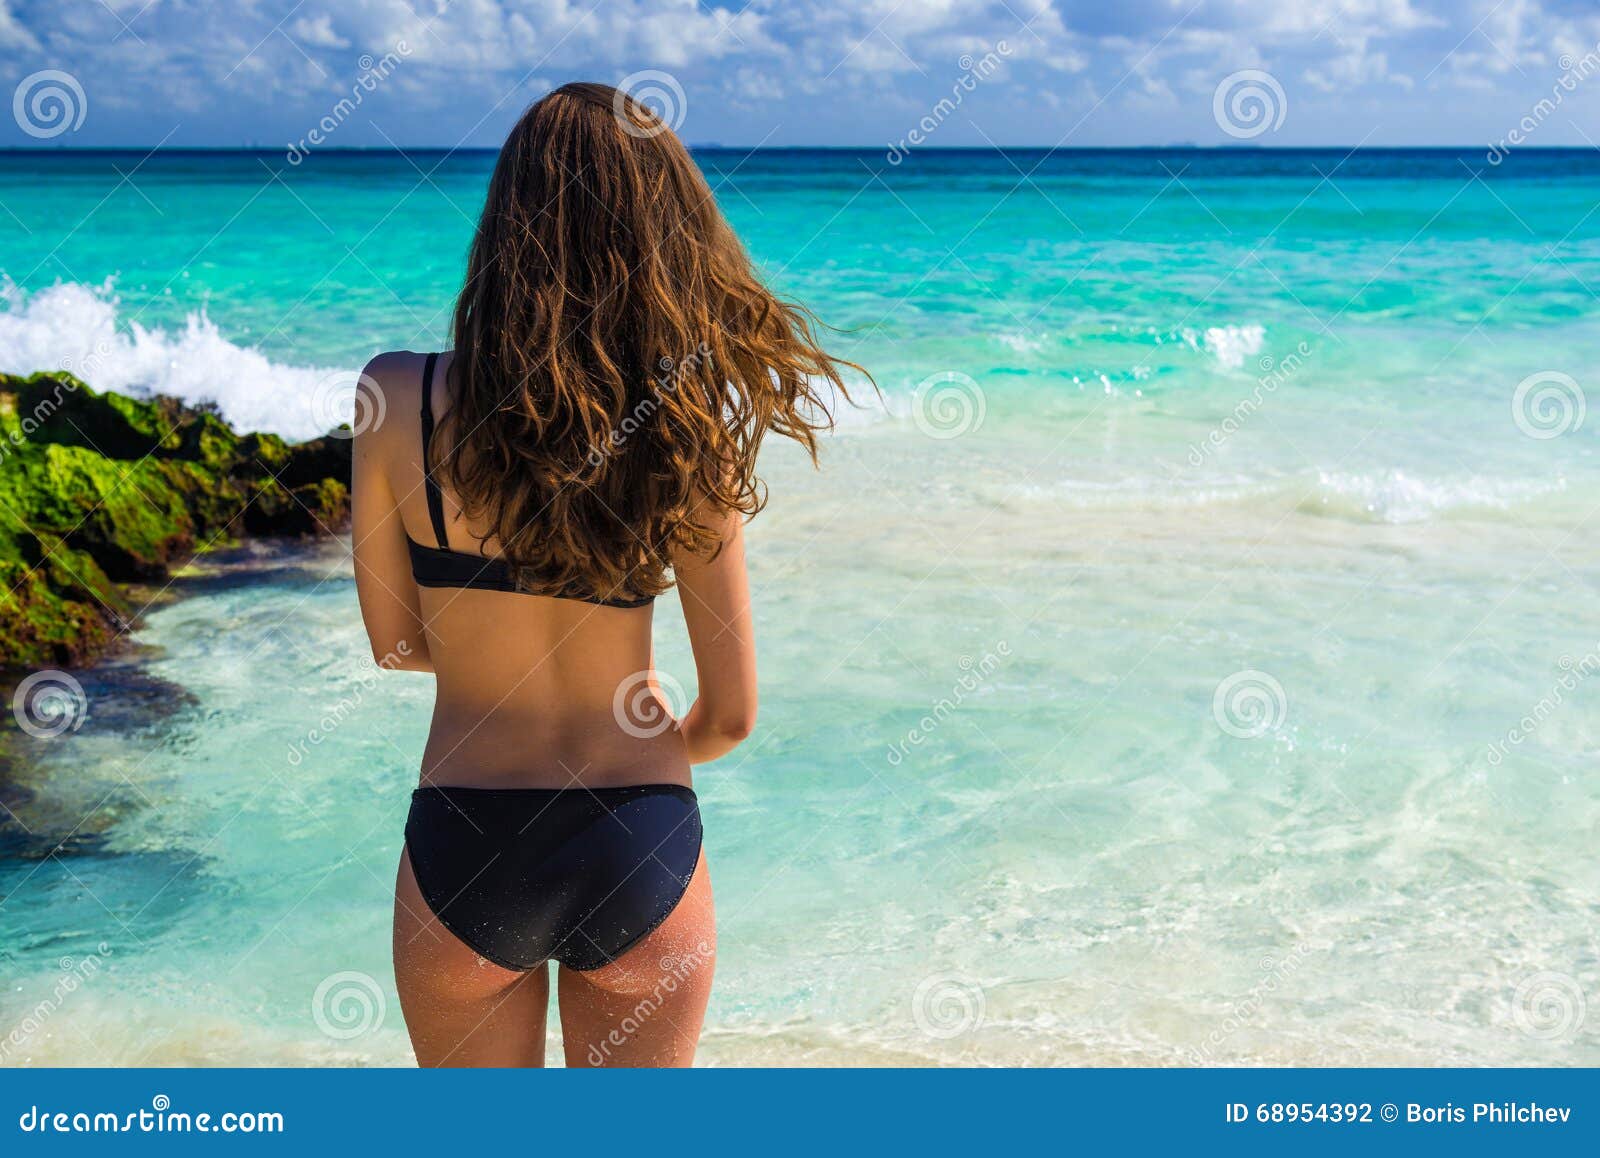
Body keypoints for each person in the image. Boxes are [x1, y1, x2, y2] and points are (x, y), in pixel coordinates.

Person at [350, 81, 864, 1066]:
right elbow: (732, 717)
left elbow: (395, 644)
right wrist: (641, 728)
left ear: (508, 220)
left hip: (466, 839)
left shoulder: (395, 395)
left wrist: (483, 664)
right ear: (663, 230)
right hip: (638, 843)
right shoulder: (685, 421)